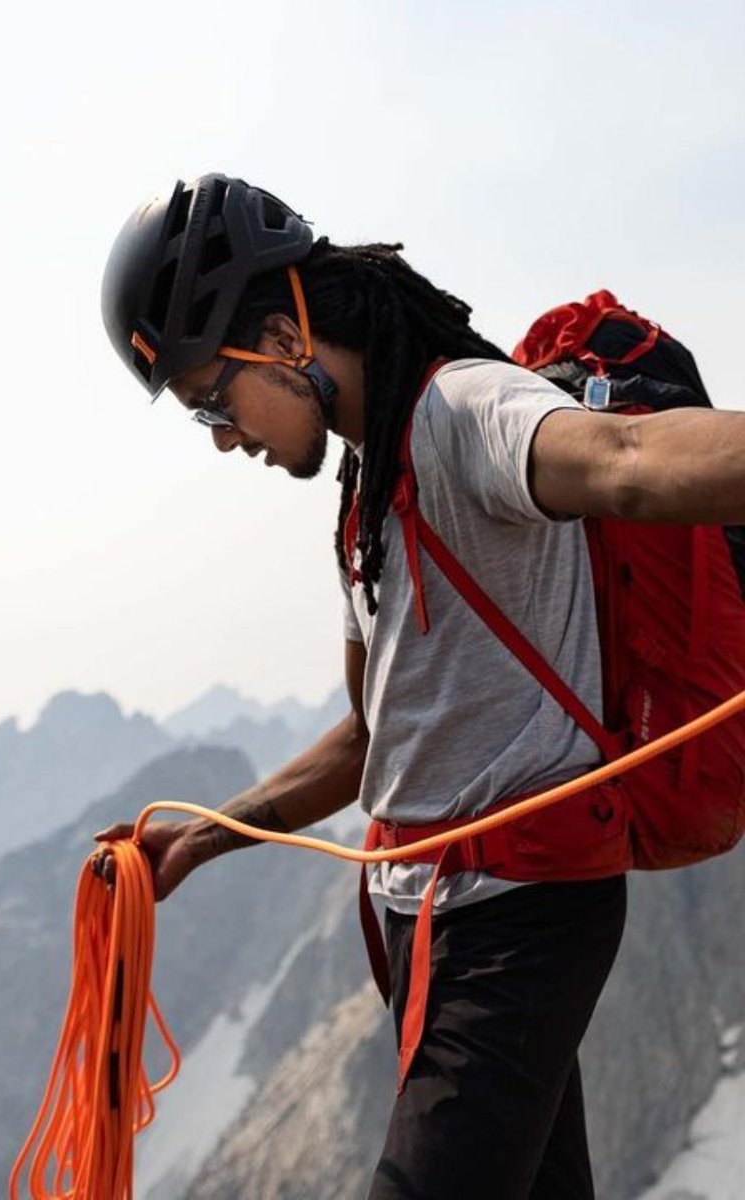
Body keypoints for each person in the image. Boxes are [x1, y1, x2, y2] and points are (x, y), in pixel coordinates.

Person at [94, 173, 745, 1199]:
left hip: (520, 921)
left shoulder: (460, 409)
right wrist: (209, 834)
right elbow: (368, 739)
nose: (224, 437)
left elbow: (624, 456)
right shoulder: (366, 497)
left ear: (284, 337)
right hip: (430, 928)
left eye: (215, 399)